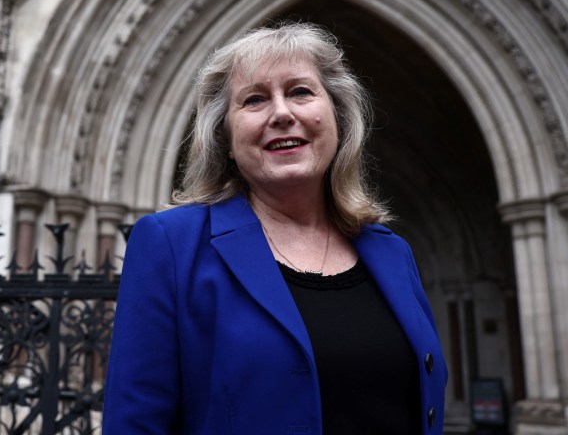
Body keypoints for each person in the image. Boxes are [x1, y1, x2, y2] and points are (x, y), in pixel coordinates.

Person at [103, 23, 447, 434]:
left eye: (301, 92)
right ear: (226, 138)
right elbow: (136, 421)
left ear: (337, 118)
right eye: (254, 99)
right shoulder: (172, 245)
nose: (282, 113)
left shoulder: (391, 252)